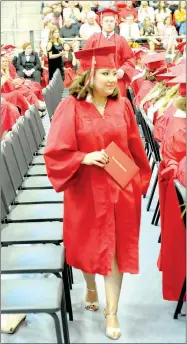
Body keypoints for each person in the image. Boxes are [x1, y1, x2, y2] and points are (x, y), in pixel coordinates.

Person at [44, 45, 151, 340]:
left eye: (113, 73)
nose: (111, 78)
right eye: (105, 73)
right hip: (86, 190)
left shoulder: (123, 106)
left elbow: (135, 148)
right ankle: (90, 285)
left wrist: (137, 181)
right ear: (89, 74)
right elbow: (55, 151)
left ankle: (112, 312)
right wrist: (83, 158)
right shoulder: (71, 108)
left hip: (119, 190)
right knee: (90, 249)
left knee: (115, 252)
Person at [82, 8, 135, 97]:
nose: (109, 23)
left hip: (116, 80)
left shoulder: (121, 40)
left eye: (111, 21)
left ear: (115, 23)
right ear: (101, 23)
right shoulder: (93, 39)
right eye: (106, 21)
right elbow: (85, 59)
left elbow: (130, 59)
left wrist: (123, 69)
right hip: (97, 81)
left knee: (117, 106)